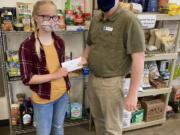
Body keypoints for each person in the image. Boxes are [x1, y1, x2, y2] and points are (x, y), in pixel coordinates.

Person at [79, 0, 145, 134]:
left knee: (112, 128)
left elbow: (138, 59)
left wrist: (133, 94)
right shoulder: (97, 17)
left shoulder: (129, 20)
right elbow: (90, 43)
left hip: (112, 83)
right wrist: (84, 58)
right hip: (93, 78)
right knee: (98, 121)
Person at [19, 1, 70, 135]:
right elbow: (26, 78)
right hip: (43, 98)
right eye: (46, 16)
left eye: (54, 17)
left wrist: (72, 66)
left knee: (58, 128)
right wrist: (55, 75)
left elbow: (59, 67)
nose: (52, 21)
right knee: (44, 132)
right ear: (36, 17)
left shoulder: (59, 42)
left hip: (63, 94)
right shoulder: (27, 46)